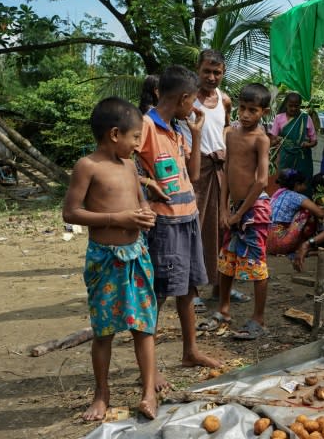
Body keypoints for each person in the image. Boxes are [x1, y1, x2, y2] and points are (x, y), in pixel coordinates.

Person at [62, 97, 158, 421]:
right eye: (135, 137)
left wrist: (145, 215)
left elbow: (141, 202)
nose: (137, 144)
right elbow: (71, 212)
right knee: (103, 331)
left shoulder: (130, 166)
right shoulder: (87, 166)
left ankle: (148, 392)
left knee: (144, 326)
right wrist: (117, 219)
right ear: (115, 134)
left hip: (137, 256)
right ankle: (101, 394)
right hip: (104, 259)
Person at [135, 65, 222, 381]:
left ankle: (190, 351)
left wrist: (197, 134)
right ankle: (150, 366)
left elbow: (195, 174)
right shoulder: (145, 126)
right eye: (194, 101)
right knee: (158, 293)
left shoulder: (175, 129)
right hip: (164, 224)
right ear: (184, 98)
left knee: (188, 288)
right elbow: (119, 162)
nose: (195, 107)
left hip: (188, 218)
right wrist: (145, 183)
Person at [186, 49, 250, 307]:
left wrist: (225, 144)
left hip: (221, 169)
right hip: (195, 171)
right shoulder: (189, 100)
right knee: (195, 227)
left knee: (224, 229)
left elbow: (225, 126)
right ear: (197, 70)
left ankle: (220, 288)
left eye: (217, 72)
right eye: (207, 71)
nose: (212, 77)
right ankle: (191, 292)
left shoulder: (224, 100)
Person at [214, 83, 272, 340]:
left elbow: (261, 180)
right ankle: (223, 309)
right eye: (242, 108)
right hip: (235, 209)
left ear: (264, 112)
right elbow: (227, 171)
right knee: (227, 259)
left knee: (256, 263)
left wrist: (239, 214)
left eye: (253, 110)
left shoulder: (261, 139)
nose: (245, 115)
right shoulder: (231, 134)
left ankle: (258, 318)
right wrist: (224, 209)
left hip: (255, 208)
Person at [267, 168, 324, 256]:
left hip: (267, 244)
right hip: (282, 244)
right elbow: (321, 214)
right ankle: (304, 246)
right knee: (307, 212)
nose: (306, 187)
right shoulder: (297, 197)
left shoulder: (277, 194)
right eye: (304, 184)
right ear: (297, 184)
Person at [269, 92, 317, 184]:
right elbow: (272, 140)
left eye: (296, 106)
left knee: (302, 184)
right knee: (285, 183)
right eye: (290, 106)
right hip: (286, 158)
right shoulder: (279, 118)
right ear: (286, 104)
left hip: (302, 158)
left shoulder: (306, 118)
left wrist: (308, 144)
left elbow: (314, 141)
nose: (293, 108)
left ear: (300, 105)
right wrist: (277, 140)